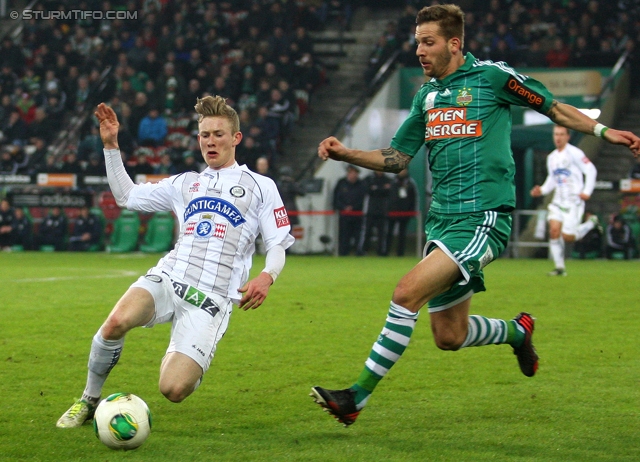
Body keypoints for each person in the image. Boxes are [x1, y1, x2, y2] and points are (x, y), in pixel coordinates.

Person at [309, 4, 640, 427]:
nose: (419, 51)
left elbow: (553, 108)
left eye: (428, 43)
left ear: (454, 43)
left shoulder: (493, 78)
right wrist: (346, 153)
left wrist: (603, 131)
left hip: (483, 216)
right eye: (417, 43)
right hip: (442, 221)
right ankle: (518, 331)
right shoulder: (426, 96)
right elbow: (397, 157)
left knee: (405, 293)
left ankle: (355, 397)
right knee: (450, 336)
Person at [57, 96, 295, 428]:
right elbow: (127, 196)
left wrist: (267, 276)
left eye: (218, 134)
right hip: (170, 277)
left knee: (173, 389)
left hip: (211, 297)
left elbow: (277, 244)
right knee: (114, 324)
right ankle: (88, 400)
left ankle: (189, 349)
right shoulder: (184, 183)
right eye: (204, 135)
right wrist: (111, 146)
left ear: (236, 138)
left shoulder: (261, 187)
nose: (210, 141)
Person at [530, 126, 600, 276]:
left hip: (573, 202)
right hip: (557, 201)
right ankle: (559, 268)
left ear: (568, 136)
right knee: (554, 231)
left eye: (561, 134)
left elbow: (591, 170)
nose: (558, 137)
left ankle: (590, 224)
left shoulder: (575, 153)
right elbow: (552, 179)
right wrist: (541, 190)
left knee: (568, 237)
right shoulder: (552, 157)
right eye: (556, 134)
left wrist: (587, 191)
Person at [333, 165, 367, 256]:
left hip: (357, 214)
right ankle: (343, 252)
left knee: (357, 235)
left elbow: (362, 199)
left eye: (354, 173)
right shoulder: (341, 183)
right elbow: (336, 198)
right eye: (350, 173)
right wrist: (343, 207)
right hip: (344, 215)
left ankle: (358, 252)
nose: (352, 175)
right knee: (344, 235)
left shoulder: (361, 184)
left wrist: (354, 207)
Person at [386, 168, 418, 257]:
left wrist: (411, 211)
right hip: (392, 212)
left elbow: (413, 199)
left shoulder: (410, 183)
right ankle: (386, 251)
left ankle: (400, 252)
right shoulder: (392, 182)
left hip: (404, 213)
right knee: (389, 233)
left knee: (402, 234)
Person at [361, 170, 392, 256]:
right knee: (367, 232)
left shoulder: (388, 179)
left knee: (382, 233)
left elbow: (389, 191)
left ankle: (381, 251)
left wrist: (376, 188)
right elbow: (368, 190)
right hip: (370, 211)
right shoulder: (369, 179)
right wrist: (382, 188)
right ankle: (363, 250)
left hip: (382, 211)